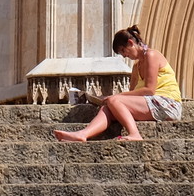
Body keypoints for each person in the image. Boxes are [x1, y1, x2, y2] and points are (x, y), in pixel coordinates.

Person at [52, 25, 182, 142]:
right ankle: (83, 134)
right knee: (107, 107)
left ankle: (134, 134)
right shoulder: (136, 67)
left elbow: (149, 90)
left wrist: (115, 97)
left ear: (131, 43)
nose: (124, 56)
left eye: (123, 51)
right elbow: (131, 96)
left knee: (114, 101)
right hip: (151, 105)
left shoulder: (151, 55)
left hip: (167, 104)